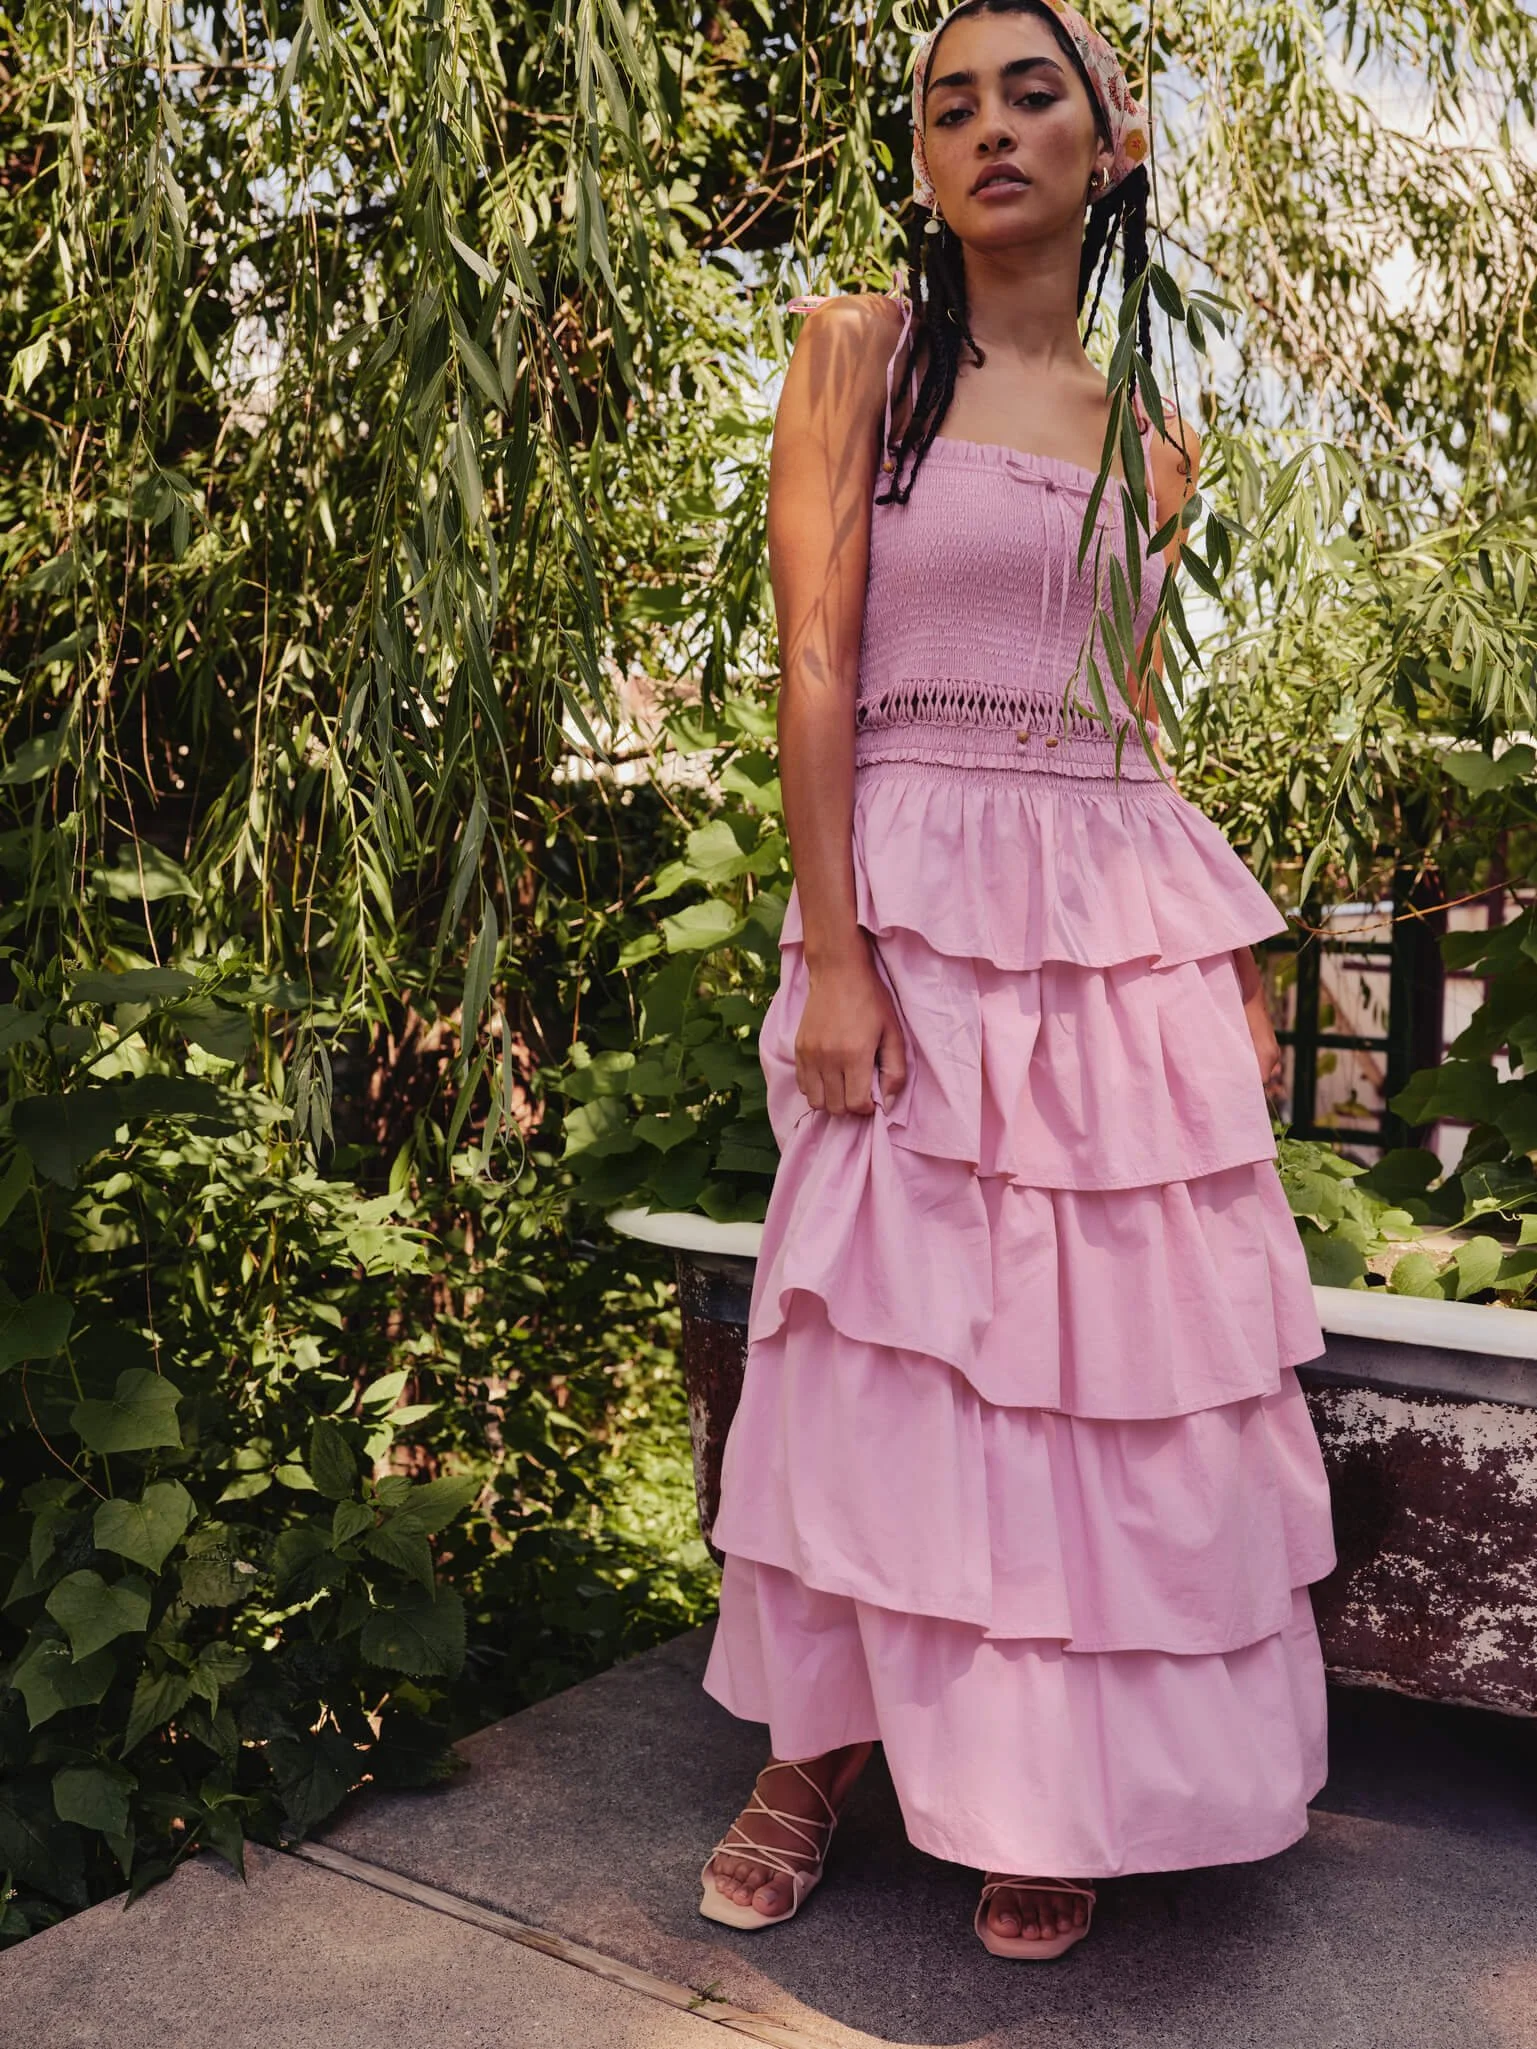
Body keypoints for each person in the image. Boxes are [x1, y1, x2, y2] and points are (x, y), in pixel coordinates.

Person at [697, 0, 1338, 1962]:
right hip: (907, 889)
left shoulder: (1160, 435)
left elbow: (1126, 725)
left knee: (1084, 1362)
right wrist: (838, 951)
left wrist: (1216, 948)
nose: (987, 128)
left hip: (1098, 923)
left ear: (1108, 140)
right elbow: (812, 660)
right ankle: (815, 1753)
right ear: (920, 160)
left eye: (1029, 92)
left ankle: (1038, 1772)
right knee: (874, 1335)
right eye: (946, 102)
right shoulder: (856, 358)